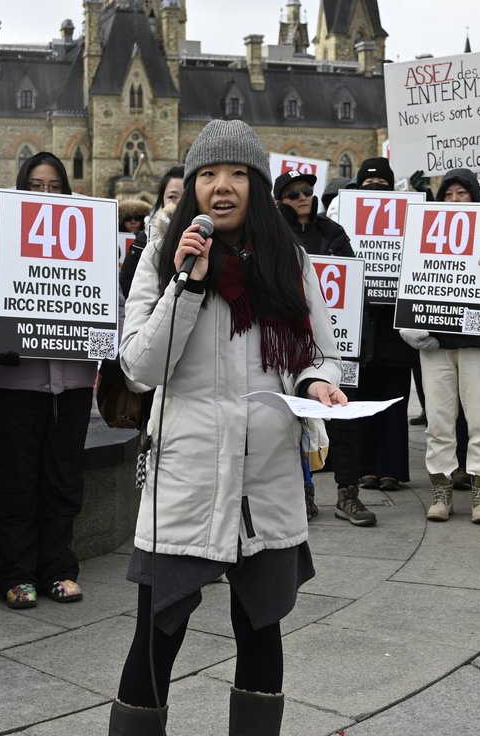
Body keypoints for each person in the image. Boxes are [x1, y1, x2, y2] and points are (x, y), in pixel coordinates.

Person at [112, 119, 345, 736]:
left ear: (257, 186)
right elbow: (140, 367)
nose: (222, 187)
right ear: (192, 187)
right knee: (156, 637)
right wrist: (187, 284)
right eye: (208, 174)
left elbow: (318, 351)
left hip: (266, 477)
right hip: (185, 477)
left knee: (261, 631)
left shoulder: (287, 261)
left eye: (238, 174)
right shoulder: (162, 255)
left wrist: (315, 382)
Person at [0, 152, 99, 608]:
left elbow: (113, 302)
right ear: (19, 189)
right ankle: (15, 572)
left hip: (74, 382)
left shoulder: (91, 240)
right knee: (16, 480)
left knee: (65, 481)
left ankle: (58, 568)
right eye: (35, 185)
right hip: (15, 380)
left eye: (53, 186)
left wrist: (113, 343)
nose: (44, 194)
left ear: (66, 192)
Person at [400, 167, 480, 526]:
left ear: (475, 197)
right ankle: (442, 490)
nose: (455, 201)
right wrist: (409, 324)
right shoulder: (423, 235)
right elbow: (413, 281)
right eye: (448, 195)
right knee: (438, 421)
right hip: (435, 344)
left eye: (462, 194)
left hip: (479, 343)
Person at [275, 170, 374, 527]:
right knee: (295, 420)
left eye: (306, 191)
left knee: (343, 419)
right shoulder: (276, 238)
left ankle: (348, 493)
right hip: (291, 343)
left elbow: (353, 285)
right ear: (281, 202)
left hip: (336, 340)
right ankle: (304, 491)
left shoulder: (332, 233)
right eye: (293, 194)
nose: (302, 197)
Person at [344, 158, 415, 493]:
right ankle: (365, 467)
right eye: (368, 185)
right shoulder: (344, 221)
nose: (375, 190)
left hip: (396, 327)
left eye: (381, 185)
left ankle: (392, 470)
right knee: (362, 401)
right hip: (361, 325)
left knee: (395, 401)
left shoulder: (411, 218)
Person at [119, 165, 184, 298]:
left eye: (186, 196)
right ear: (162, 201)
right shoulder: (143, 242)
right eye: (172, 196)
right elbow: (128, 288)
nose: (179, 203)